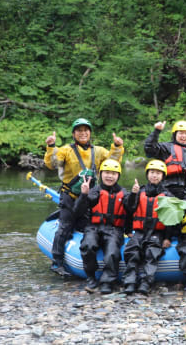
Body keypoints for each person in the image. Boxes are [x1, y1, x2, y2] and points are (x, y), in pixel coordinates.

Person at [44, 118, 124, 277]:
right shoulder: (66, 150)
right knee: (65, 227)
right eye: (79, 130)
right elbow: (52, 163)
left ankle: (98, 259)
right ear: (74, 134)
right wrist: (51, 146)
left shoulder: (99, 151)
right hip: (70, 196)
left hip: (91, 197)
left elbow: (111, 164)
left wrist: (117, 147)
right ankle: (57, 263)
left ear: (90, 133)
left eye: (86, 130)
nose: (83, 133)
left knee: (89, 227)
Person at [74, 159, 127, 294]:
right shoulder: (93, 191)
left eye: (113, 174)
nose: (110, 176)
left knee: (112, 253)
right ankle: (91, 278)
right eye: (107, 173)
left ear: (118, 176)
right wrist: (84, 195)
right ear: (101, 174)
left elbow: (132, 211)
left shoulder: (124, 193)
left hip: (114, 229)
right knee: (88, 245)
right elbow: (78, 210)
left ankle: (107, 282)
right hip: (94, 227)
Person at [123, 160, 174, 295]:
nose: (154, 176)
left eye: (158, 173)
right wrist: (133, 194)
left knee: (151, 253)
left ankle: (146, 282)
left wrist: (167, 238)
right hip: (140, 231)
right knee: (132, 250)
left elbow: (170, 219)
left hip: (157, 232)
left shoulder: (168, 195)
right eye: (152, 173)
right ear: (147, 174)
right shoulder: (139, 191)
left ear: (163, 176)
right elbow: (129, 209)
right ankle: (130, 281)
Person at [144, 120, 186, 199]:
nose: (184, 136)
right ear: (175, 135)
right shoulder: (166, 148)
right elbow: (149, 149)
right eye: (181, 133)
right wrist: (156, 131)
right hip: (167, 190)